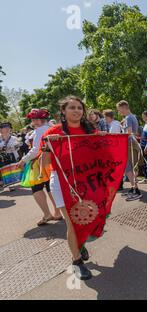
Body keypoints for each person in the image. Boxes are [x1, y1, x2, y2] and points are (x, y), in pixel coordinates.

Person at [41, 96, 97, 280]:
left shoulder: (89, 129)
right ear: (63, 111)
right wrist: (49, 146)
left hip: (85, 181)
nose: (76, 111)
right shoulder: (53, 131)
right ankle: (77, 261)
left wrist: (104, 138)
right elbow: (44, 164)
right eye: (72, 107)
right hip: (61, 182)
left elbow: (101, 153)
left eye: (79, 108)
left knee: (87, 219)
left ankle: (79, 244)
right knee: (73, 221)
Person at [17, 109, 63, 226]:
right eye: (33, 119)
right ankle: (57, 212)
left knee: (37, 188)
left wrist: (23, 159)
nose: (35, 122)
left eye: (37, 119)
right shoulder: (51, 126)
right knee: (50, 186)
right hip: (51, 160)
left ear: (43, 119)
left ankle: (47, 214)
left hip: (39, 162)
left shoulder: (40, 130)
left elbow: (36, 149)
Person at [116, 100, 142, 201]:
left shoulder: (128, 118)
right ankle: (133, 188)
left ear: (124, 107)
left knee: (128, 168)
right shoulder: (132, 117)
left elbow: (129, 133)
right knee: (131, 167)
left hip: (129, 144)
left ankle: (136, 189)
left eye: (119, 110)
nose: (119, 112)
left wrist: (117, 135)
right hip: (132, 144)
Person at [0, 122, 22, 192]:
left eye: (8, 128)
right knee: (5, 170)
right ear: (1, 129)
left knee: (11, 169)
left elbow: (18, 147)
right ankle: (7, 184)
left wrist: (13, 147)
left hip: (12, 155)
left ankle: (11, 185)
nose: (7, 129)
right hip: (2, 156)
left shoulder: (14, 138)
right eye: (5, 128)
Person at [139, 111, 147, 185]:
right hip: (142, 145)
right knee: (144, 163)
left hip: (146, 146)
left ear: (146, 116)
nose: (142, 117)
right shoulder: (146, 124)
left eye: (143, 116)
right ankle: (146, 178)